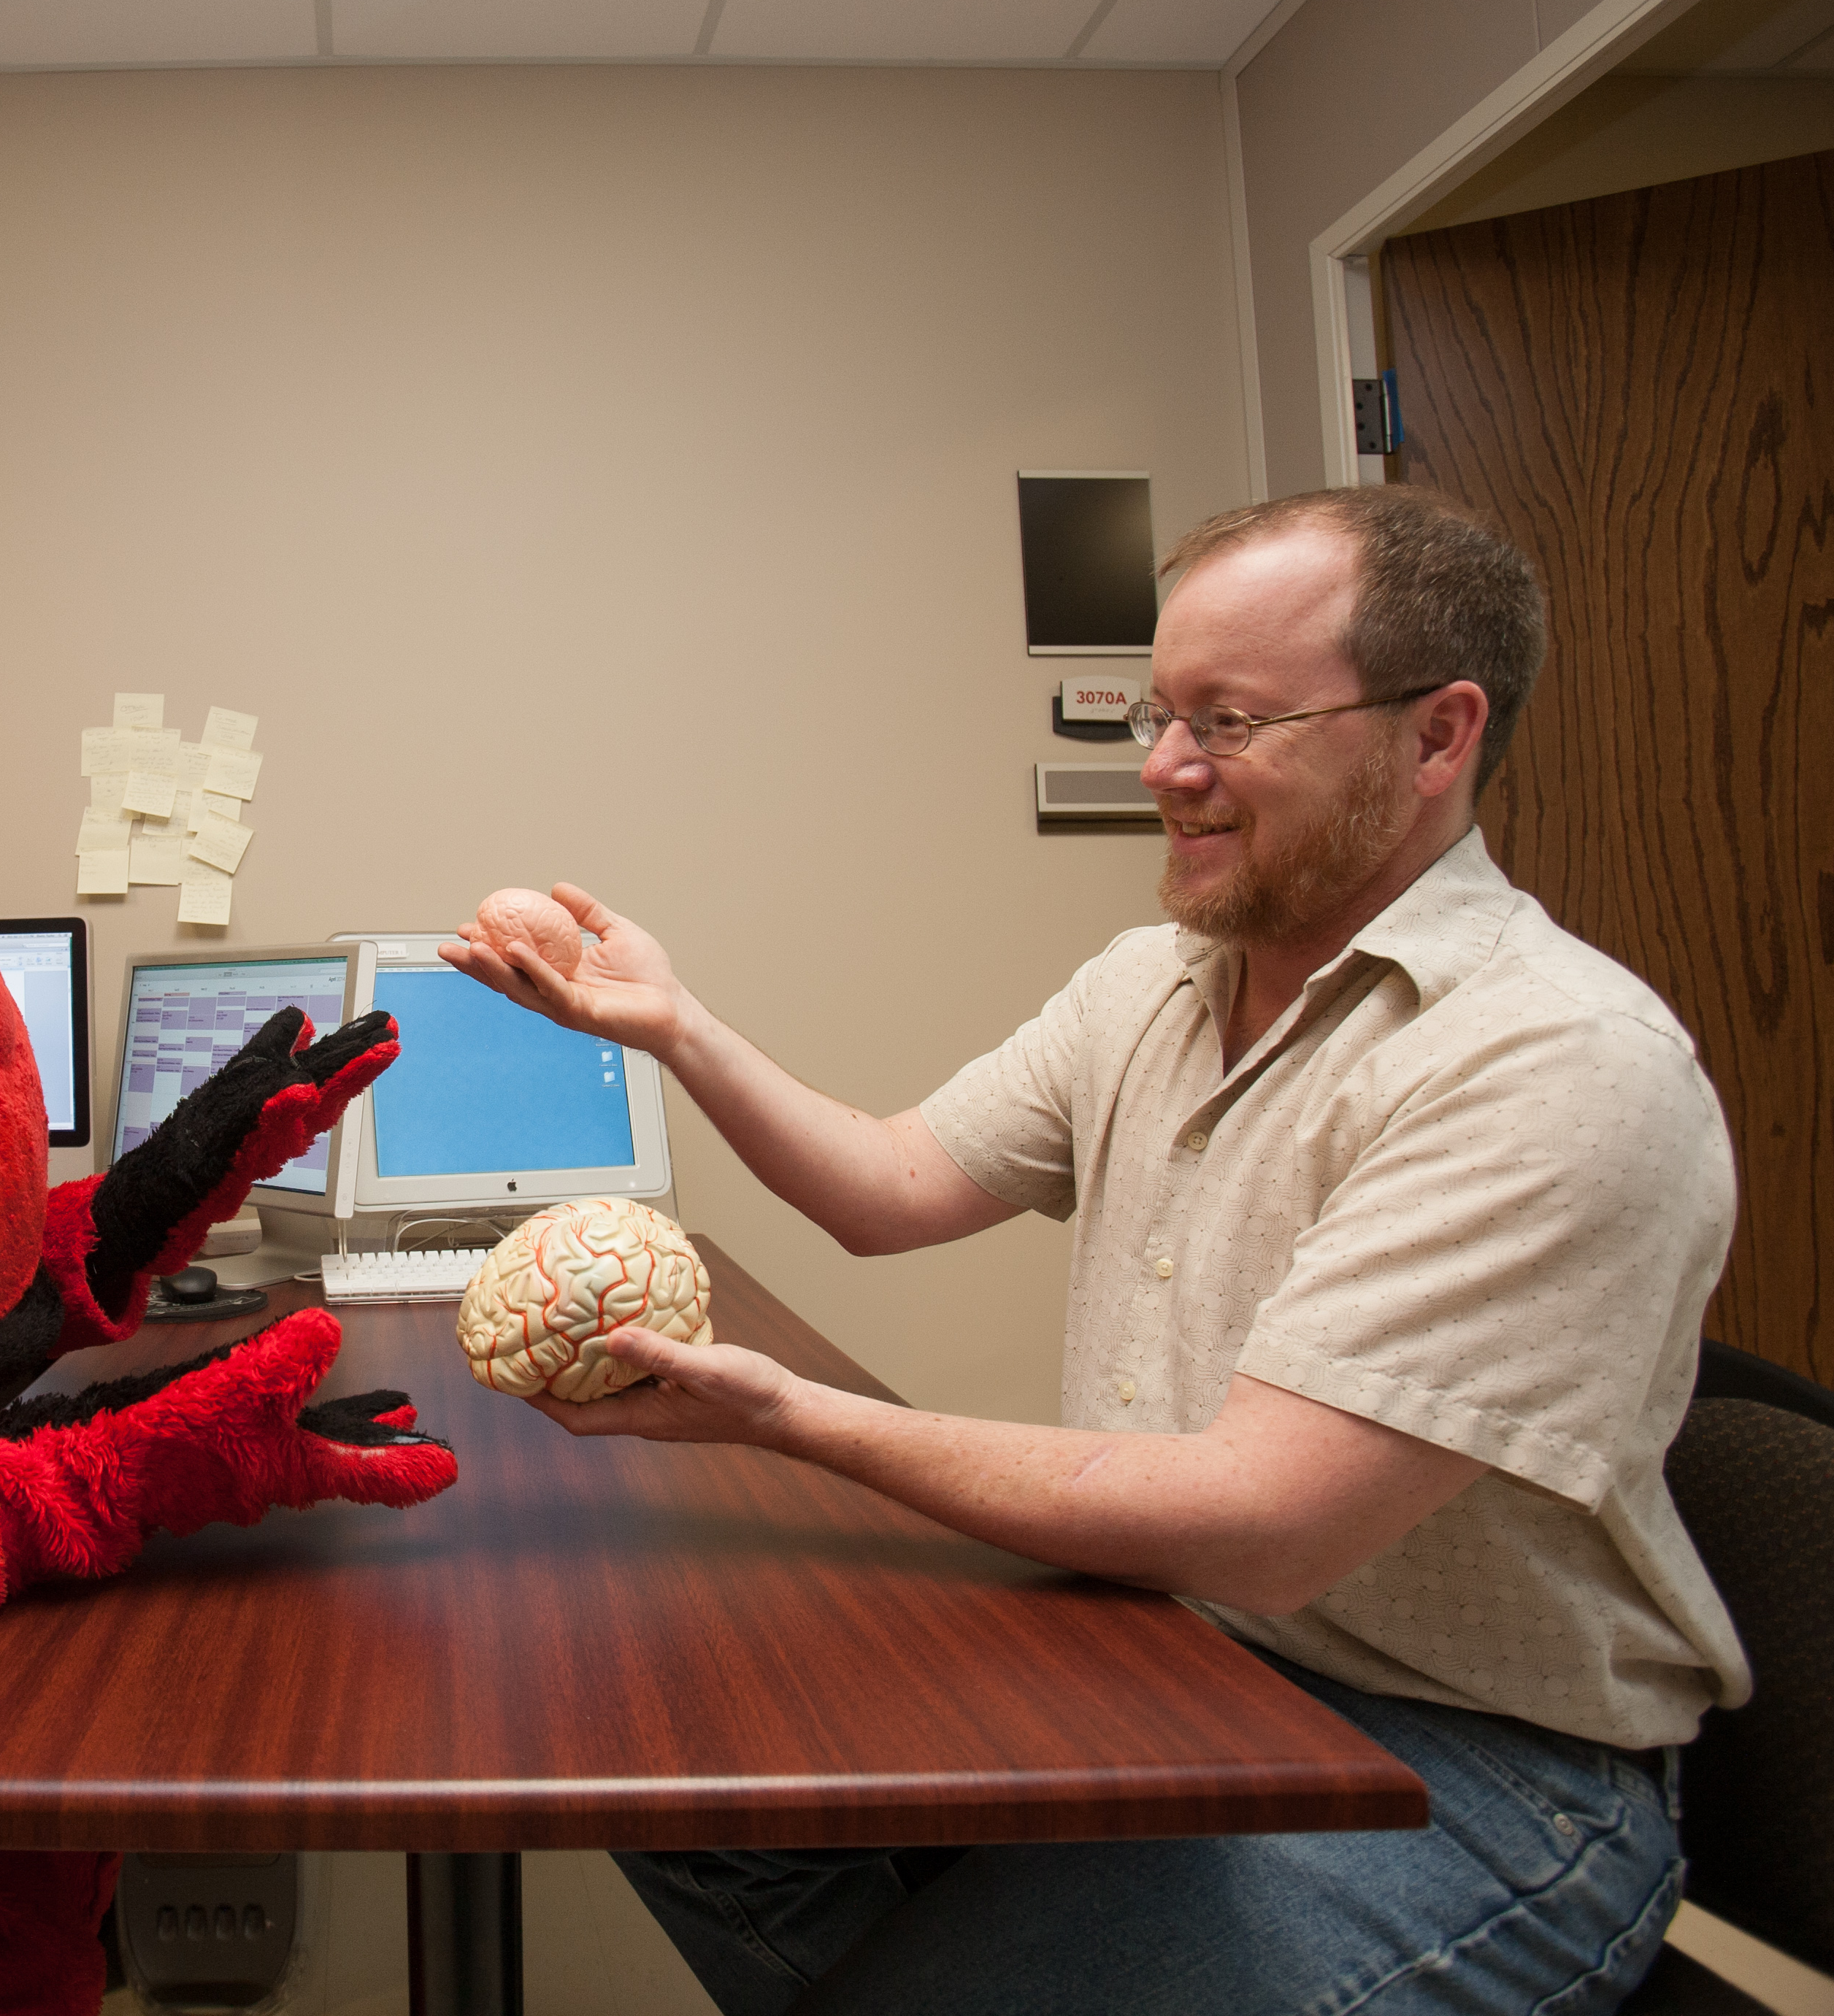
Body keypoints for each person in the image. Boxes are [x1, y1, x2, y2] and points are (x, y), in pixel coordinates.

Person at [440, 486, 1746, 2016]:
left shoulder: (1552, 1061)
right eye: (1161, 711)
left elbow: (1267, 1523)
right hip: (1170, 1665)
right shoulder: (1151, 985)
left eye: (1230, 721)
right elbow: (890, 1184)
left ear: (1436, 737)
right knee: (664, 1765)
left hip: (1470, 1771)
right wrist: (679, 1030)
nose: (1165, 768)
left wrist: (785, 1415)